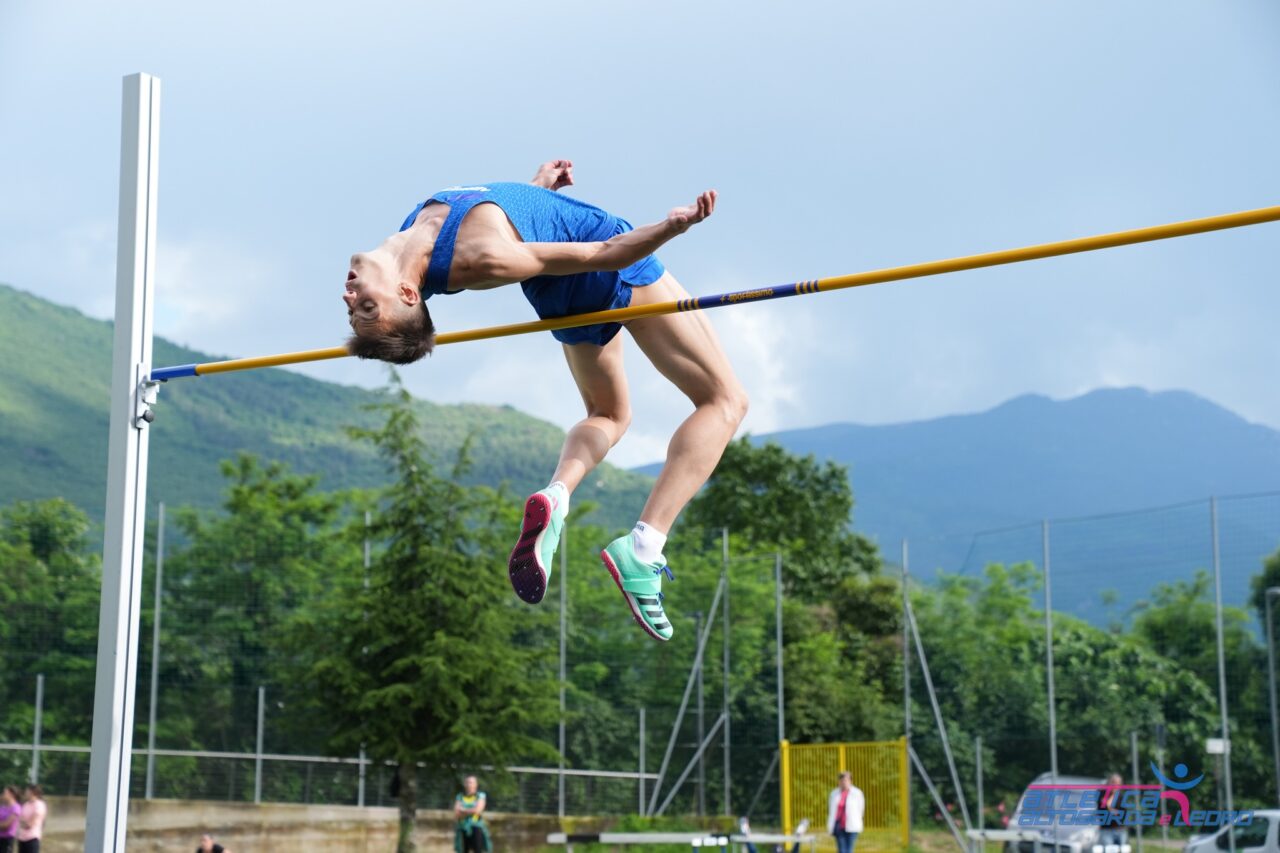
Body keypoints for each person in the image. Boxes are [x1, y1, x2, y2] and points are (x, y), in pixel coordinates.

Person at [343, 161, 747, 642]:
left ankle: (557, 496)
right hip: (606, 261)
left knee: (608, 414)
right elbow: (604, 252)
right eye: (368, 306)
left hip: (557, 287)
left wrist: (536, 194)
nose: (350, 296)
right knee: (725, 401)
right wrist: (671, 227)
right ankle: (645, 548)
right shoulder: (482, 257)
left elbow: (504, 227)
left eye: (354, 309)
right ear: (409, 294)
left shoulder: (416, 231)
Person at [827, 772, 864, 853]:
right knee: (841, 850)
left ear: (850, 781)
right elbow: (831, 811)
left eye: (846, 780)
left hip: (852, 825)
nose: (844, 782)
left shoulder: (857, 793)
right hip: (839, 826)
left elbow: (861, 809)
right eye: (842, 780)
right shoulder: (834, 794)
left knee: (849, 849)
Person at [453, 775, 491, 853]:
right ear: (465, 784)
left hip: (476, 827)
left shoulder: (480, 796)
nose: (469, 784)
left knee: (478, 850)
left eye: (471, 782)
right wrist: (471, 810)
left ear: (476, 784)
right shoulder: (460, 796)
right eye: (467, 782)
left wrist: (463, 810)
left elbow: (478, 810)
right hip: (462, 827)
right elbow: (457, 813)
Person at [1098, 773, 1126, 849]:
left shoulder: (1121, 797)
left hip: (1120, 829)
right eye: (1113, 782)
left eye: (1117, 783)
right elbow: (1104, 809)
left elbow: (1122, 814)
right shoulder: (1102, 794)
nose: (1115, 785)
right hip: (1106, 829)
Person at [16, 785, 45, 853]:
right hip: (22, 838)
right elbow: (20, 819)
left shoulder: (39, 805)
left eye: (27, 791)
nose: (25, 793)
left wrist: (23, 822)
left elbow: (29, 825)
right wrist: (23, 822)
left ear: (33, 793)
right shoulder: (26, 804)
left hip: (32, 838)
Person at [0, 786, 20, 853]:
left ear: (12, 795)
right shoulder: (2, 807)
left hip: (7, 840)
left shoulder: (16, 808)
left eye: (5, 793)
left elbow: (6, 825)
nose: (2, 794)